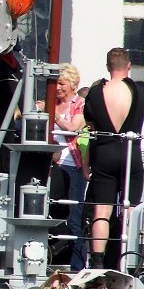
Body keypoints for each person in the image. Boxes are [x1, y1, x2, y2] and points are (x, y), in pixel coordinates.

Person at [83, 48, 144, 268]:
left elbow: (91, 131)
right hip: (132, 153)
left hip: (104, 153)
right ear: (128, 66)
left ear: (108, 67)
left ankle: (98, 262)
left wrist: (86, 163)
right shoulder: (141, 93)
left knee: (102, 211)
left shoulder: (95, 92)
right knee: (130, 209)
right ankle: (127, 260)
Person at [51, 64, 87, 271]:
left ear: (73, 85)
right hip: (52, 165)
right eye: (56, 83)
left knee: (75, 215)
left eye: (62, 83)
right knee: (53, 212)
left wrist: (53, 115)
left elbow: (74, 128)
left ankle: (77, 265)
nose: (57, 87)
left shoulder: (80, 104)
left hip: (72, 164)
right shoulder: (52, 102)